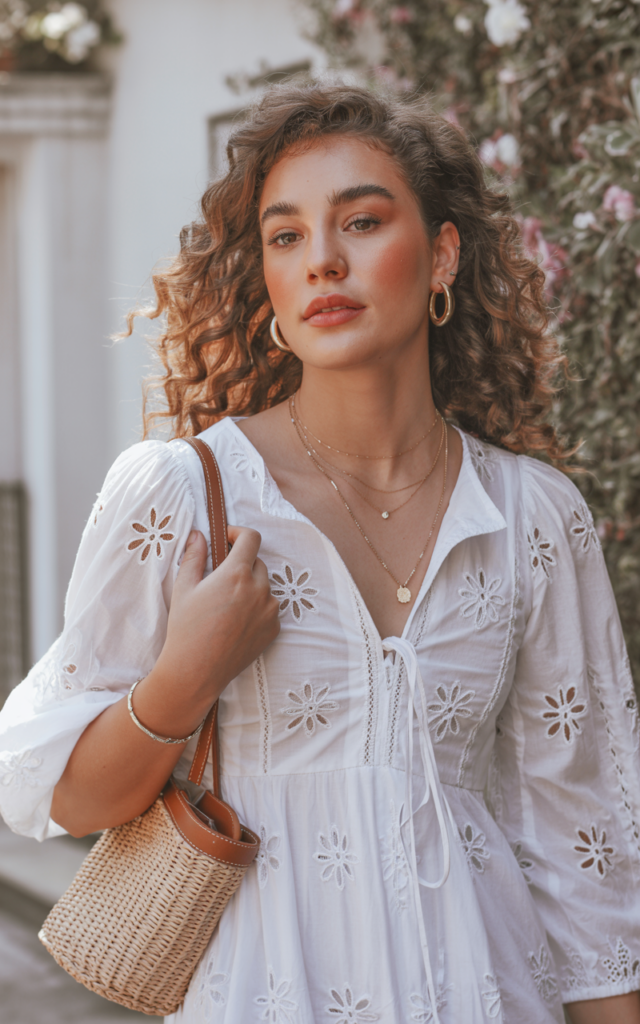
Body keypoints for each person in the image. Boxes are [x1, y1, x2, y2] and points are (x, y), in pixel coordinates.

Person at [0, 83, 638, 1024]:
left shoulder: (531, 514)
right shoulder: (181, 496)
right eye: (286, 236)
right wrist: (184, 678)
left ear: (442, 256)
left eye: (363, 222)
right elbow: (57, 796)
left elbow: (584, 844)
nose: (323, 262)